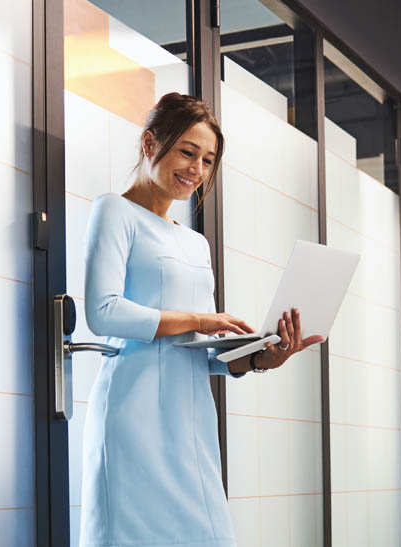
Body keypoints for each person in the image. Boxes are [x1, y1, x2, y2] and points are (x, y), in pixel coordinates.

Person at [79, 92, 323, 547]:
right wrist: (198, 318)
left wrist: (259, 357)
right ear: (151, 144)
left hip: (190, 417)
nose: (197, 169)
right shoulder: (114, 211)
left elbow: (202, 352)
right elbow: (102, 311)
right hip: (134, 413)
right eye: (188, 152)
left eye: (208, 160)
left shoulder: (195, 243)